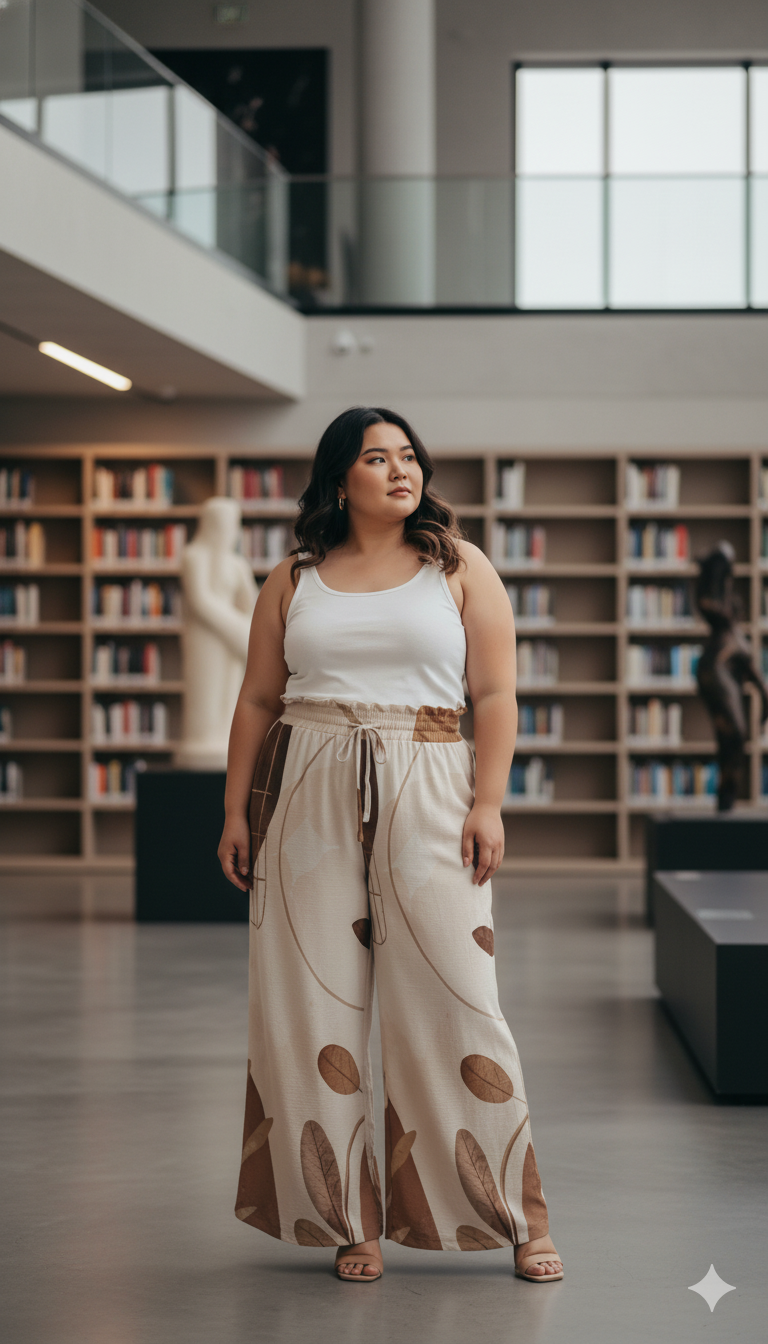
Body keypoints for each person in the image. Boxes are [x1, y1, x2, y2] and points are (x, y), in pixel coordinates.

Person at [218, 406, 563, 1285]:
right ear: (342, 478)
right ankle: (345, 1218)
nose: (401, 470)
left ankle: (512, 1217)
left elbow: (495, 693)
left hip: (431, 778)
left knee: (459, 996)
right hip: (306, 783)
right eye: (378, 458)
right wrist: (233, 815)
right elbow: (257, 701)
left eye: (409, 456)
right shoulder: (293, 576)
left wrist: (490, 802)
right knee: (311, 1007)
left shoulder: (459, 566)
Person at [695, 541, 768, 811]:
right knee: (734, 735)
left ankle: (727, 799)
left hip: (721, 671)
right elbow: (705, 602)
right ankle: (725, 799)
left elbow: (752, 668)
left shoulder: (735, 636)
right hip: (714, 672)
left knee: (735, 738)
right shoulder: (723, 627)